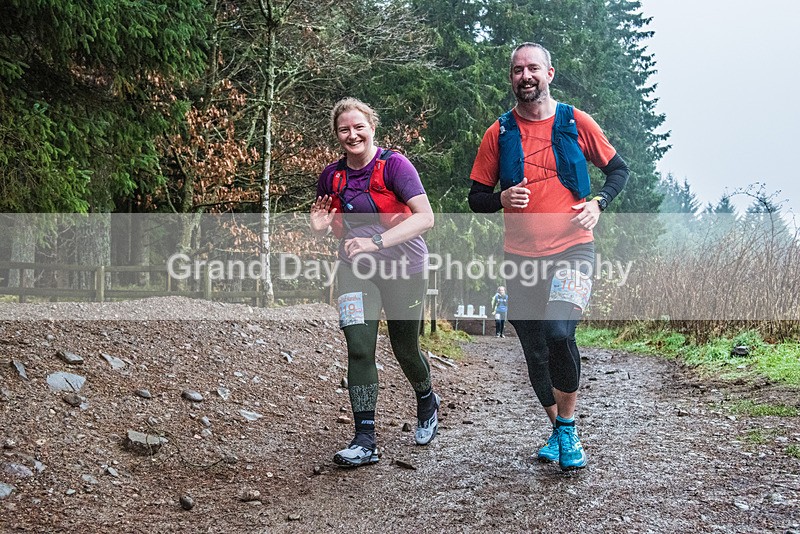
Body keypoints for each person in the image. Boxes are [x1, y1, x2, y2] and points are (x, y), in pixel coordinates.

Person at [468, 43, 629, 471]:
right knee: (534, 349)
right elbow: (476, 198)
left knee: (559, 332)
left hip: (574, 249)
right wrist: (501, 197)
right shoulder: (497, 133)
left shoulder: (575, 121)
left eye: (533, 68)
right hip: (520, 258)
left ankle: (569, 430)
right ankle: (557, 430)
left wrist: (598, 203)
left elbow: (619, 170)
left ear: (550, 73)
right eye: (518, 69)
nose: (526, 76)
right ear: (511, 78)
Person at [310, 97, 440, 468]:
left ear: (372, 127)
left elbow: (425, 218)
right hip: (355, 268)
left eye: (358, 127)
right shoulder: (331, 175)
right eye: (344, 129)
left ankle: (426, 398)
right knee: (359, 347)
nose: (352, 135)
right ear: (337, 135)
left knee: (405, 349)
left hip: (405, 267)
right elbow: (326, 220)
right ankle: (365, 439)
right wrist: (317, 227)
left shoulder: (395, 166)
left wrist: (376, 241)